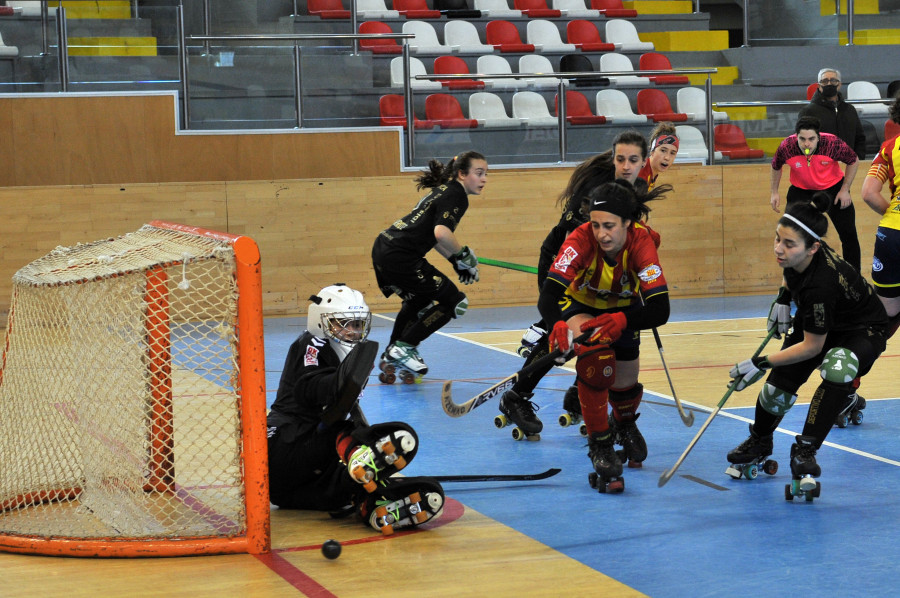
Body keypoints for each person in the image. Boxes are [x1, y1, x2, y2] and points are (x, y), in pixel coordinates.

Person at [725, 194, 887, 498]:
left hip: (861, 330)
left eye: (788, 244)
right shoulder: (800, 252)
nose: (779, 249)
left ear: (813, 247)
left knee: (838, 366)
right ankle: (760, 440)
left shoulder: (821, 284)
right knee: (777, 389)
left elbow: (813, 348)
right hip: (823, 319)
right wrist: (784, 299)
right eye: (777, 239)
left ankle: (806, 450)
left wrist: (760, 362)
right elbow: (791, 273)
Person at [512, 132, 663, 444]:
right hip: (568, 258)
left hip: (603, 271)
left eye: (633, 160)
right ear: (613, 159)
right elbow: (592, 236)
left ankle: (585, 387)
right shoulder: (601, 189)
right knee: (560, 329)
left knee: (603, 339)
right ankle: (518, 395)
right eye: (620, 159)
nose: (626, 166)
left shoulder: (636, 185)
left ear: (642, 162)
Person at [266, 284, 444, 534]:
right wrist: (360, 438)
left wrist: (365, 435)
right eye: (343, 323)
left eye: (357, 325)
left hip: (288, 491)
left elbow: (345, 407)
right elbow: (310, 387)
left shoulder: (345, 355)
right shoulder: (312, 343)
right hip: (284, 445)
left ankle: (370, 502)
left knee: (345, 485)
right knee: (357, 430)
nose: (351, 331)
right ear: (320, 321)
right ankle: (356, 456)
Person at [540, 180, 671, 491]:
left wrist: (624, 319)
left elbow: (660, 310)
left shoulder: (643, 243)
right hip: (581, 305)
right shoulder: (579, 240)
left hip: (624, 309)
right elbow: (548, 296)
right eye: (596, 225)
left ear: (629, 223)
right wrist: (557, 324)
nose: (602, 234)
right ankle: (600, 443)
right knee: (597, 359)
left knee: (625, 382)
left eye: (610, 225)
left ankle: (623, 424)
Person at [371, 151, 488, 383]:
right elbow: (441, 233)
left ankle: (393, 351)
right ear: (462, 174)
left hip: (385, 248)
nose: (484, 179)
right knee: (455, 303)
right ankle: (404, 347)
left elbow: (434, 239)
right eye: (479, 173)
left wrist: (456, 262)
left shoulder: (443, 190)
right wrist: (464, 255)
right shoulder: (457, 195)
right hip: (401, 256)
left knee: (418, 300)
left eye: (486, 174)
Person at [770, 115, 861, 272]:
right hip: (800, 190)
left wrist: (845, 189)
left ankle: (854, 278)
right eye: (802, 139)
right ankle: (794, 279)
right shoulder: (787, 146)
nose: (807, 143)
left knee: (849, 234)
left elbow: (853, 160)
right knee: (791, 234)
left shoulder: (832, 143)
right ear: (796, 137)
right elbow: (776, 165)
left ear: (818, 137)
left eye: (811, 139)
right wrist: (774, 192)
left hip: (833, 188)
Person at [861, 94, 900, 339]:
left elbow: (868, 193)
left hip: (892, 233)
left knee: (886, 313)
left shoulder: (889, 147)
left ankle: (852, 369)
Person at [798, 68, 867, 161]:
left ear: (839, 85)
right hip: (820, 168)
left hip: (848, 166)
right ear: (818, 86)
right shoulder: (808, 112)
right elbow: (802, 142)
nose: (829, 84)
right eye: (825, 81)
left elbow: (860, 138)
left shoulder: (850, 110)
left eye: (833, 80)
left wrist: (857, 159)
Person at [637, 122, 679, 190]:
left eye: (672, 153)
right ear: (652, 151)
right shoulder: (641, 170)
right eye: (663, 151)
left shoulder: (652, 173)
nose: (667, 158)